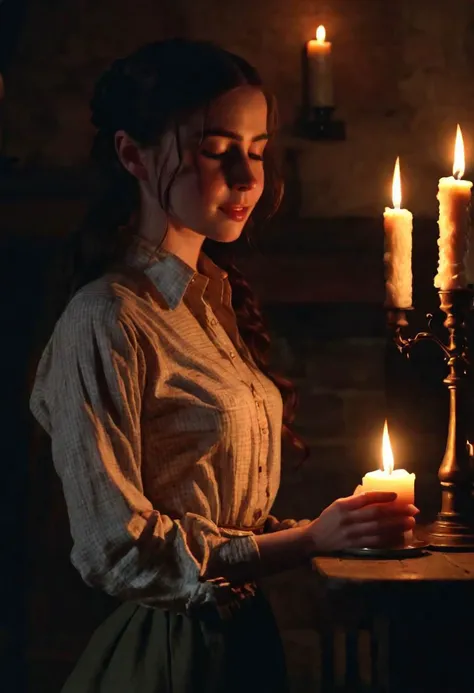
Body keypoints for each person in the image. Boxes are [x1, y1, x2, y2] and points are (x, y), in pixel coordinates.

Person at [29, 38, 417, 693]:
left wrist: (327, 527)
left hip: (244, 643)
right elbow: (117, 549)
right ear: (133, 153)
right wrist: (303, 543)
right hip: (170, 656)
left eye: (258, 151)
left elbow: (218, 519)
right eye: (216, 151)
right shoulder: (106, 320)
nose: (247, 178)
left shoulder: (214, 300)